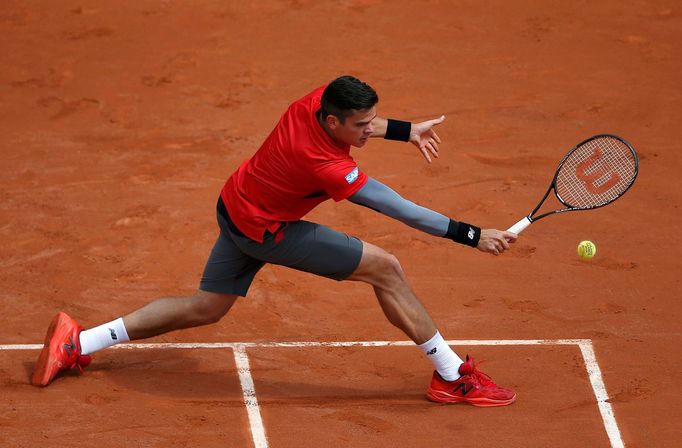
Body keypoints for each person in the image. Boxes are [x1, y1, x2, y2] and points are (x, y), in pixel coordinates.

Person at [32, 75, 518, 407]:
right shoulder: (324, 163)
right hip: (269, 232)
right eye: (361, 126)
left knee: (205, 308)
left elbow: (361, 121)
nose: (370, 129)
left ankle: (80, 341)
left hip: (236, 206)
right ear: (332, 123)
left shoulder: (315, 101)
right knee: (385, 268)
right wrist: (472, 235)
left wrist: (407, 130)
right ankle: (452, 376)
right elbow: (399, 208)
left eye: (373, 121)